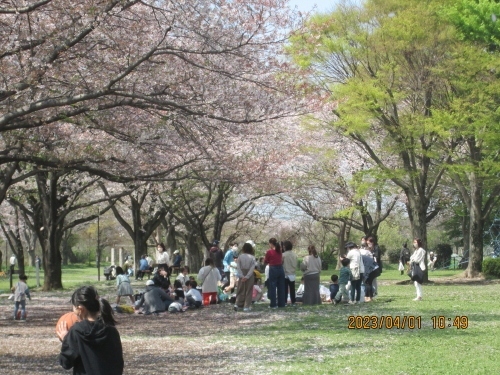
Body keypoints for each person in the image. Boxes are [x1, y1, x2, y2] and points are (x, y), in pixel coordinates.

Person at [57, 286, 123, 375]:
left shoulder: (76, 331)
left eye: (73, 306)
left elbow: (66, 363)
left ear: (80, 309)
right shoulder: (111, 330)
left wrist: (66, 339)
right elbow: (118, 363)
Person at [264, 238, 286, 308]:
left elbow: (265, 261)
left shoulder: (269, 252)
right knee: (281, 287)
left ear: (270, 243)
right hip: (280, 268)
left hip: (273, 268)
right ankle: (281, 303)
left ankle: (273, 304)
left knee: (273, 286)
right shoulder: (280, 251)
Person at [234, 243, 256, 312]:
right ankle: (246, 306)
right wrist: (247, 276)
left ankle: (237, 304)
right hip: (249, 274)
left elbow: (238, 267)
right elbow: (252, 268)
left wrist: (242, 276)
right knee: (249, 290)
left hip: (242, 273)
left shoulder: (240, 256)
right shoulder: (252, 257)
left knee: (240, 289)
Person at [282, 240, 298, 306]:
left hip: (285, 273)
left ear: (285, 247)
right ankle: (293, 301)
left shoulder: (283, 255)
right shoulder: (294, 254)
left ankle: (285, 301)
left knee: (285, 288)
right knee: (292, 289)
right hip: (292, 273)